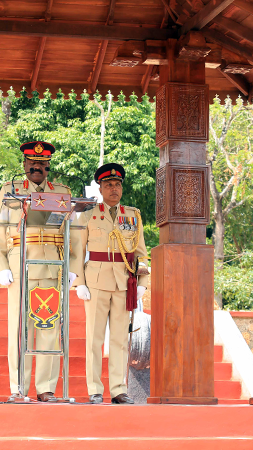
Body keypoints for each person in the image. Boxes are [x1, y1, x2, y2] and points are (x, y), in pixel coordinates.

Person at [0, 141, 77, 402]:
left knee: (49, 326)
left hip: (53, 266)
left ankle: (46, 388)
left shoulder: (62, 192)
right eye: (32, 163)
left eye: (41, 163)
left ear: (48, 166)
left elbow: (75, 233)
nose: (36, 167)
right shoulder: (11, 191)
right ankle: (18, 387)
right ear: (24, 164)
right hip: (21, 265)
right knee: (20, 328)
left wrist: (73, 267)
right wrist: (1, 266)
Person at [71, 163, 149, 404]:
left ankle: (118, 390)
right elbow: (77, 251)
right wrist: (79, 282)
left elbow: (141, 253)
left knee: (120, 339)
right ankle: (95, 389)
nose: (114, 189)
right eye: (108, 185)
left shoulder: (132, 215)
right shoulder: (88, 215)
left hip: (124, 283)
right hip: (95, 282)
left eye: (117, 185)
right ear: (100, 189)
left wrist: (143, 282)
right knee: (94, 339)